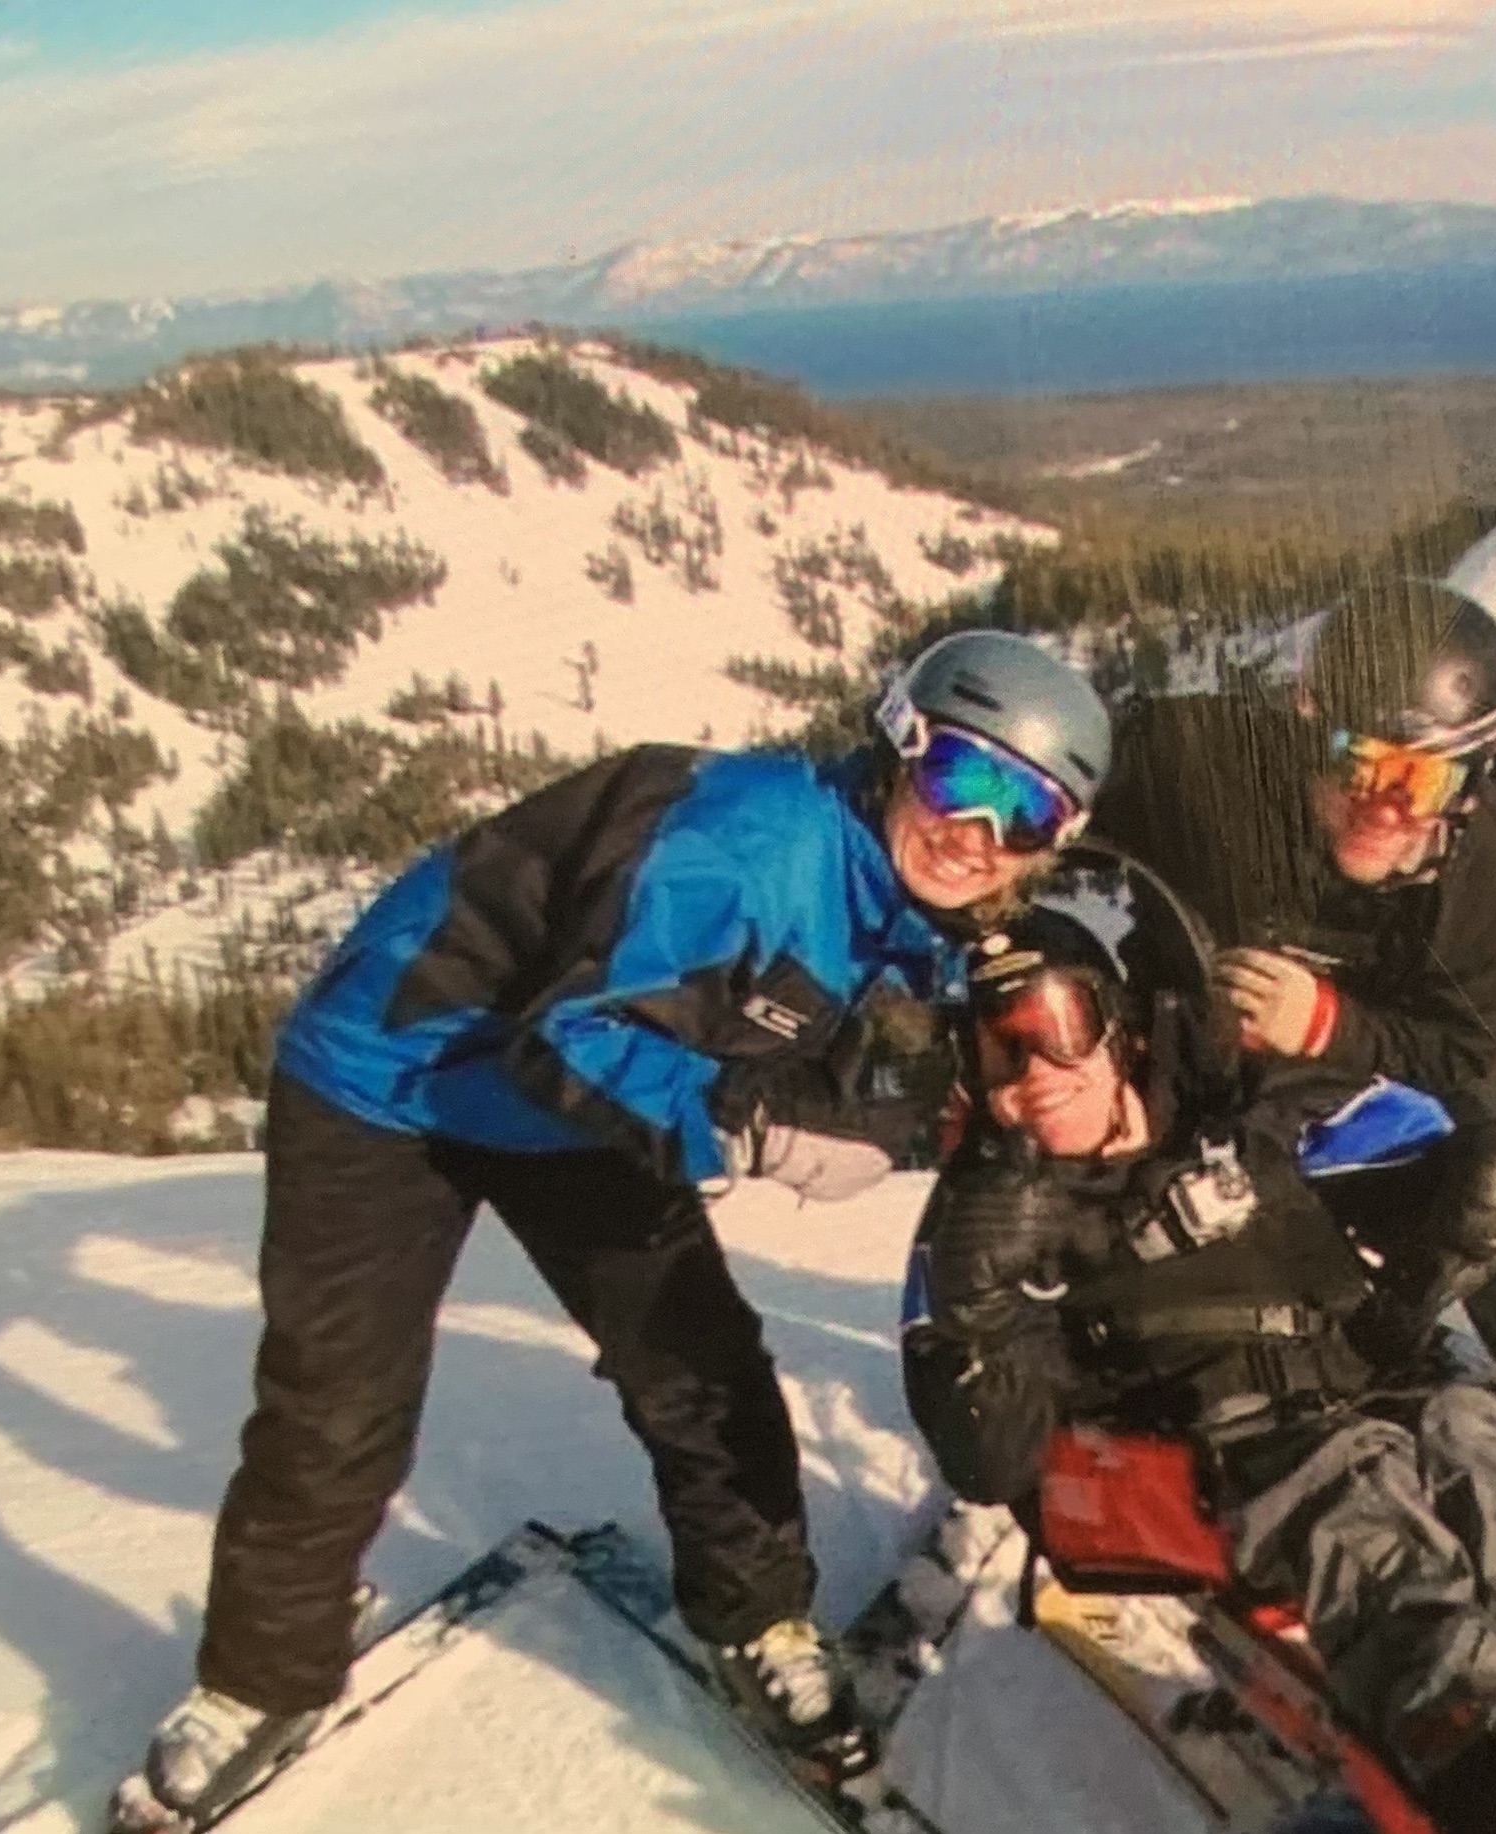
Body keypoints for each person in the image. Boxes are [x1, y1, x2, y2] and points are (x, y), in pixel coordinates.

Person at [114, 631, 1111, 1833]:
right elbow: (566, 1035)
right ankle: (259, 1680)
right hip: (388, 1079)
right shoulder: (749, 848)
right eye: (962, 778)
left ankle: (755, 1620)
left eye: (1027, 812)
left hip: (580, 1103)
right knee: (337, 1397)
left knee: (700, 1365)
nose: (977, 833)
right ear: (900, 746)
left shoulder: (890, 886)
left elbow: (847, 995)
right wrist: (756, 1131)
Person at [899, 894, 1496, 1834]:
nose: (1037, 1074)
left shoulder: (1235, 1108)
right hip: (1211, 1453)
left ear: (1115, 1030)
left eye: (1058, 1027)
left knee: (1488, 1488)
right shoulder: (985, 1225)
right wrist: (976, 1310)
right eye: (1001, 1050)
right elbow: (988, 1460)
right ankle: (1494, 1767)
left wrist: (1478, 1175)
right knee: (1365, 1525)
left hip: (1378, 1387)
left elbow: (1416, 1135)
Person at [1087, 581, 1496, 1439]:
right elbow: (1050, 780)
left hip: (1373, 1040)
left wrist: (1331, 1025)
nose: (1384, 805)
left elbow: (1461, 1042)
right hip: (1190, 1022)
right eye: (1356, 761)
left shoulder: (1482, 881)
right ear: (1304, 726)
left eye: (1421, 778)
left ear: (1473, 779)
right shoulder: (1201, 766)